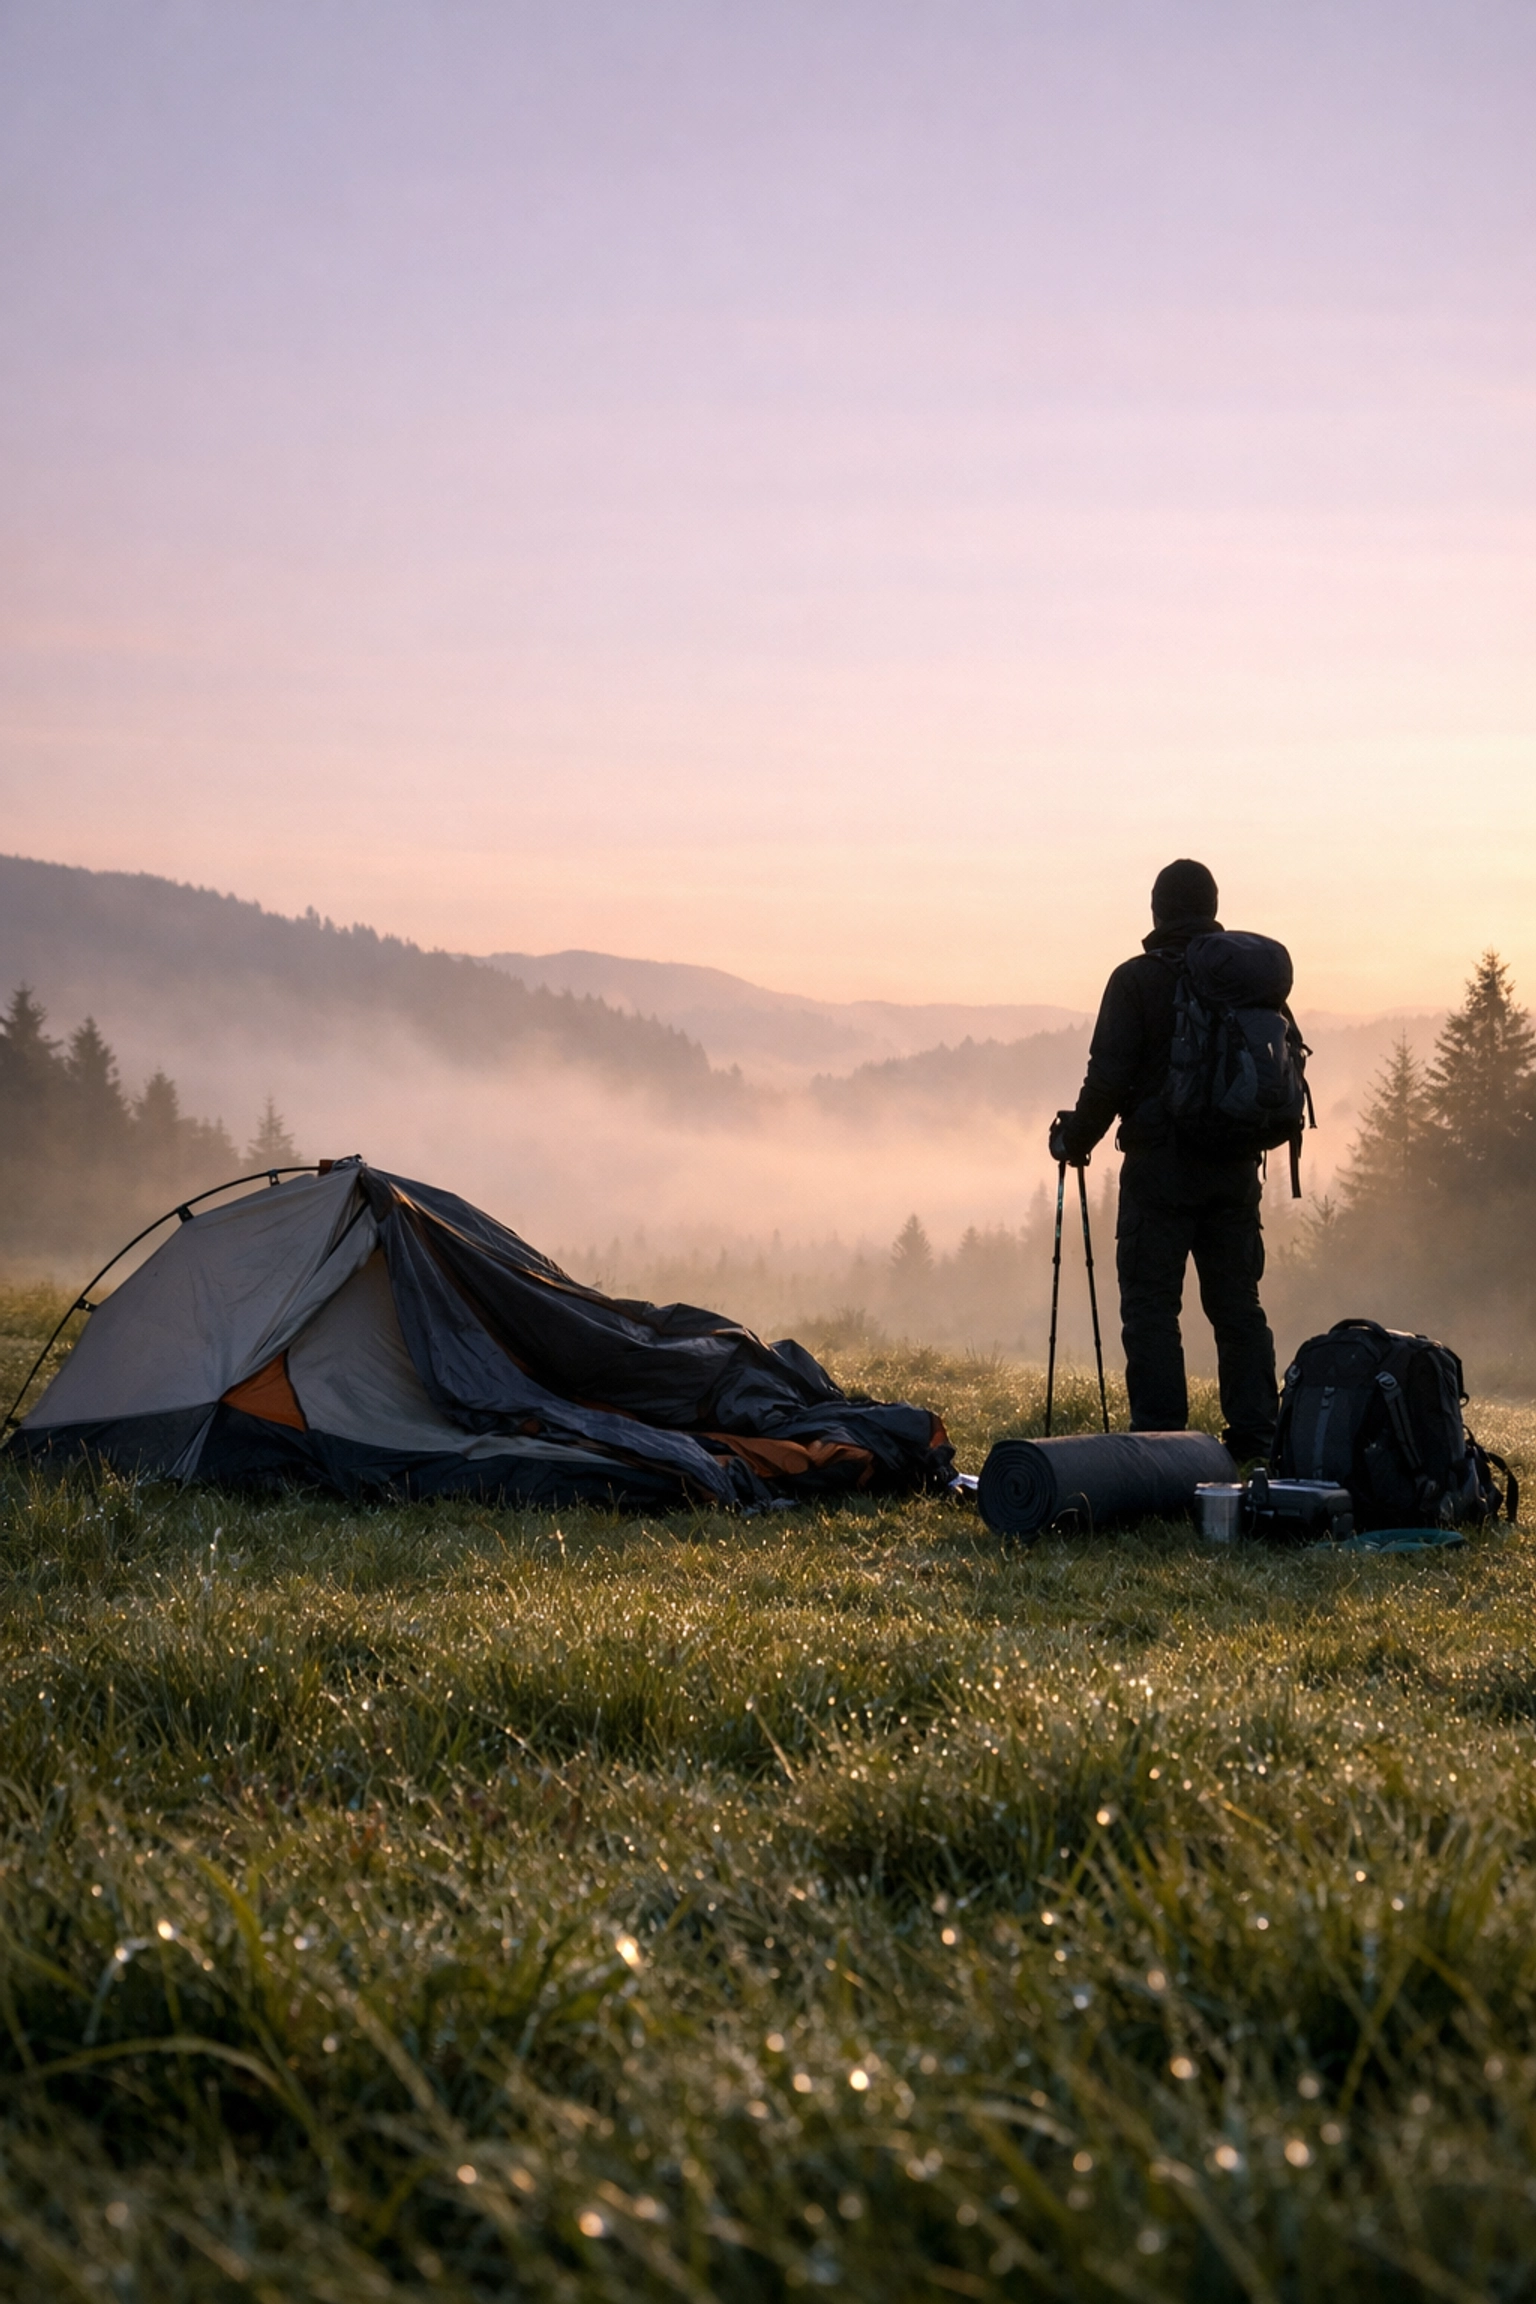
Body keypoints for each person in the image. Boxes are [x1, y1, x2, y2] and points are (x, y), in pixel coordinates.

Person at [1047, 859, 1277, 1463]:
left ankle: (1164, 1445)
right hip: (1233, 1171)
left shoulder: (1135, 981)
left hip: (1160, 1174)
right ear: (1212, 907)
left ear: (1157, 910)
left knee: (1152, 1309)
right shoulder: (1242, 982)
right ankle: (1257, 1438)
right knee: (1237, 1307)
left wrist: (1075, 1139)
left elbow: (1108, 1080)